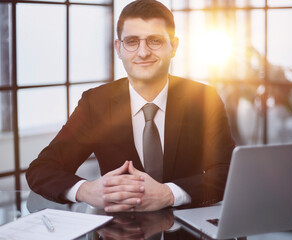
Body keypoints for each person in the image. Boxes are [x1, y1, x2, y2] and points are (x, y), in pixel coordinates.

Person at [26, 0, 234, 212]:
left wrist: (169, 193)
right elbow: (41, 169)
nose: (143, 53)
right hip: (119, 229)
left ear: (174, 46)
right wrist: (87, 190)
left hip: (188, 228)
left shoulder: (203, 98)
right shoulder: (95, 103)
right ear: (119, 48)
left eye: (155, 41)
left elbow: (229, 171)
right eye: (132, 41)